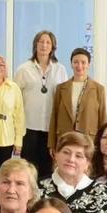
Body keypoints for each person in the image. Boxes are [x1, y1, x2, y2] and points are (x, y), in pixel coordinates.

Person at [36, 131, 107, 213]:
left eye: (78, 156)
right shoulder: (37, 188)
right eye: (66, 152)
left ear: (87, 163)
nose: (71, 159)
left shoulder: (102, 193)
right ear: (55, 154)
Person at [13, 30, 69, 181]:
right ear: (35, 45)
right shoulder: (24, 69)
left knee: (47, 169)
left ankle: (44, 196)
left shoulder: (60, 69)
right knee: (28, 169)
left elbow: (64, 99)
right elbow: (15, 100)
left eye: (48, 42)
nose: (44, 45)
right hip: (28, 128)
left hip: (50, 128)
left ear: (53, 47)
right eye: (41, 42)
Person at [48, 48, 107, 156]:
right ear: (71, 64)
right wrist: (52, 143)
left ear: (88, 65)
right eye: (75, 62)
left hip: (88, 141)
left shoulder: (98, 89)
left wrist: (102, 145)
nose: (79, 66)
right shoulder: (61, 88)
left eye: (83, 62)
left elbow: (102, 119)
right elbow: (54, 117)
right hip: (64, 139)